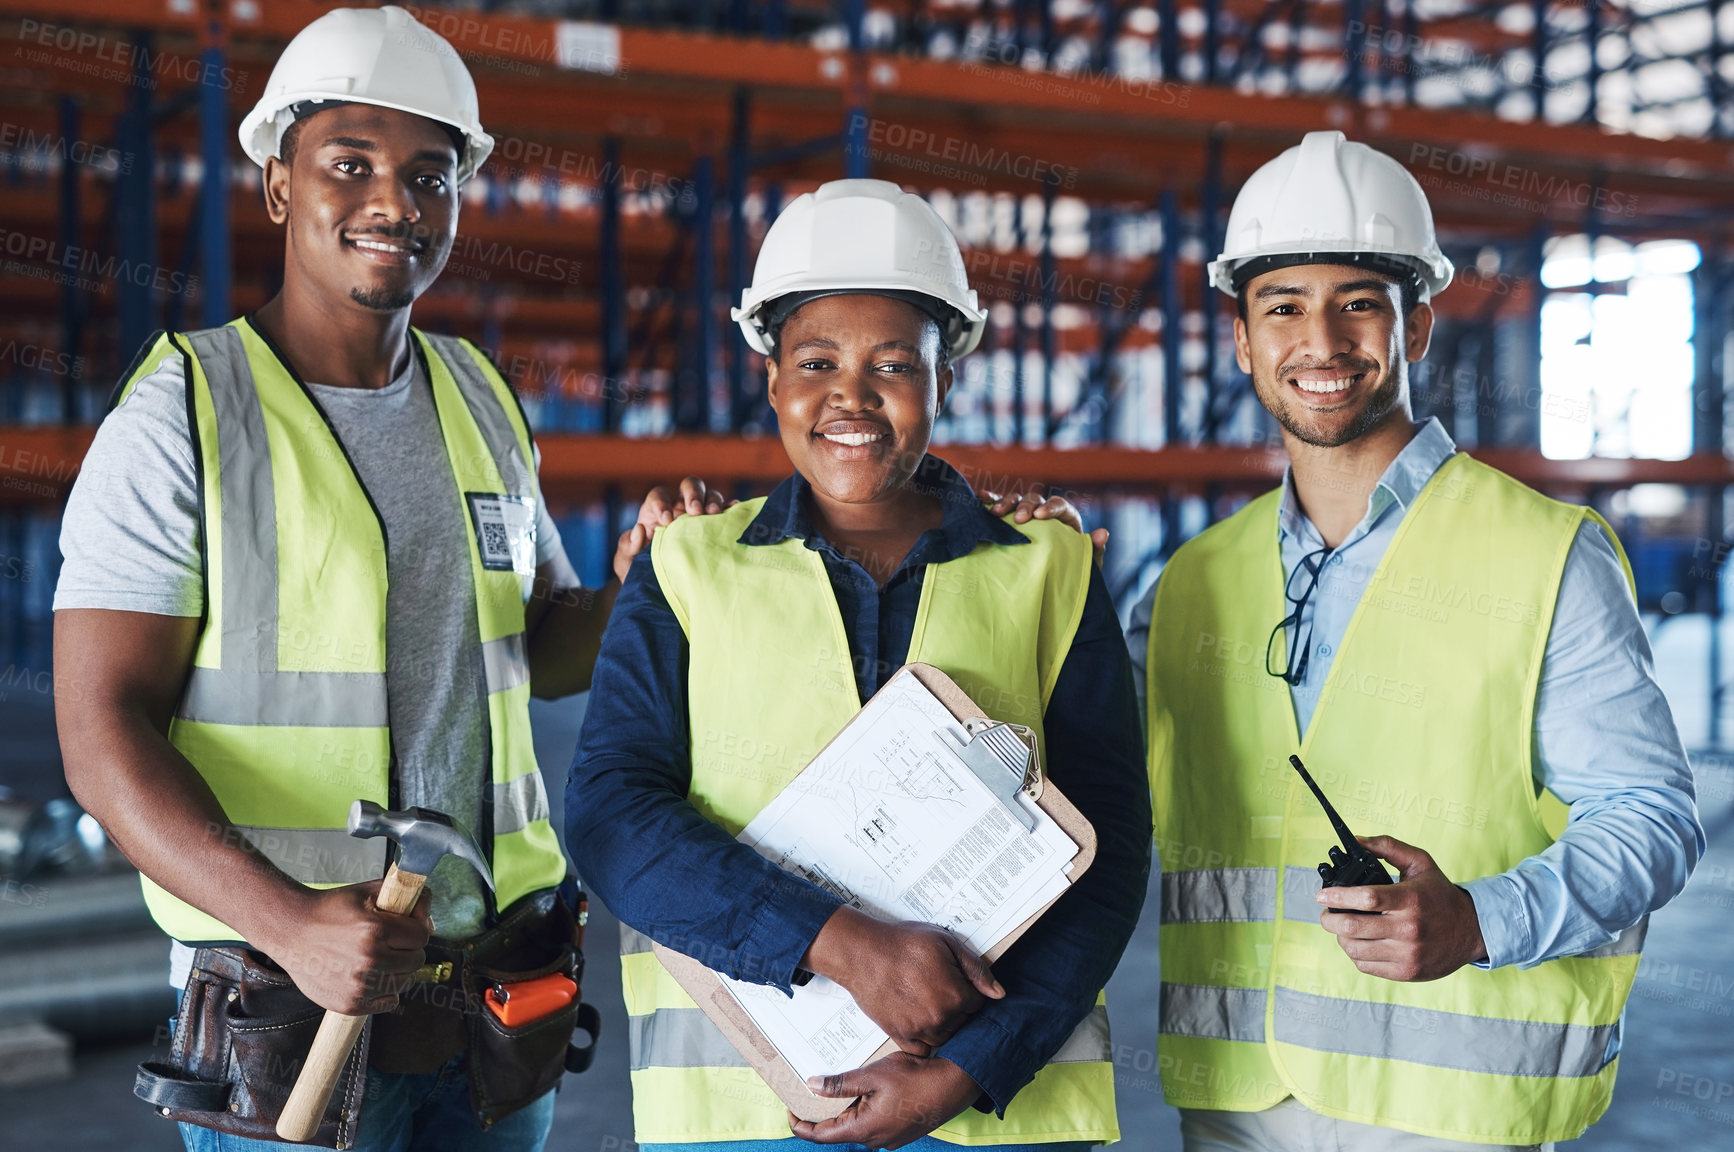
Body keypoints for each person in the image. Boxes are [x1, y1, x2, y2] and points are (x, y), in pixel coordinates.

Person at [50, 8, 734, 1151]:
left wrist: (646, 588)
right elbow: (97, 732)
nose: (396, 205)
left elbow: (545, 642)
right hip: (287, 1018)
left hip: (495, 1013)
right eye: (351, 165)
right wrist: (289, 921)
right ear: (278, 185)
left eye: (430, 175)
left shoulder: (479, 396)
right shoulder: (185, 412)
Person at [1127, 130, 1705, 1150]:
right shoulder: (1189, 584)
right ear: (1242, 339)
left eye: (1359, 303)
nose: (1321, 342)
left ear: (1420, 323)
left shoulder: (1544, 554)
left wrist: (1488, 918)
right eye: (1284, 307)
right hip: (1234, 1101)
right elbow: (1072, 783)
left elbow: (1650, 815)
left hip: (1448, 1115)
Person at [567, 178, 1151, 1152]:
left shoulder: (1049, 570)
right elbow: (611, 816)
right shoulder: (689, 566)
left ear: (946, 377)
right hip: (744, 1114)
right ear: (771, 377)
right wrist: (839, 945)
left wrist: (969, 1066)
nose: (851, 396)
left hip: (1001, 1116)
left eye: (894, 364)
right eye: (817, 361)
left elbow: (1109, 847)